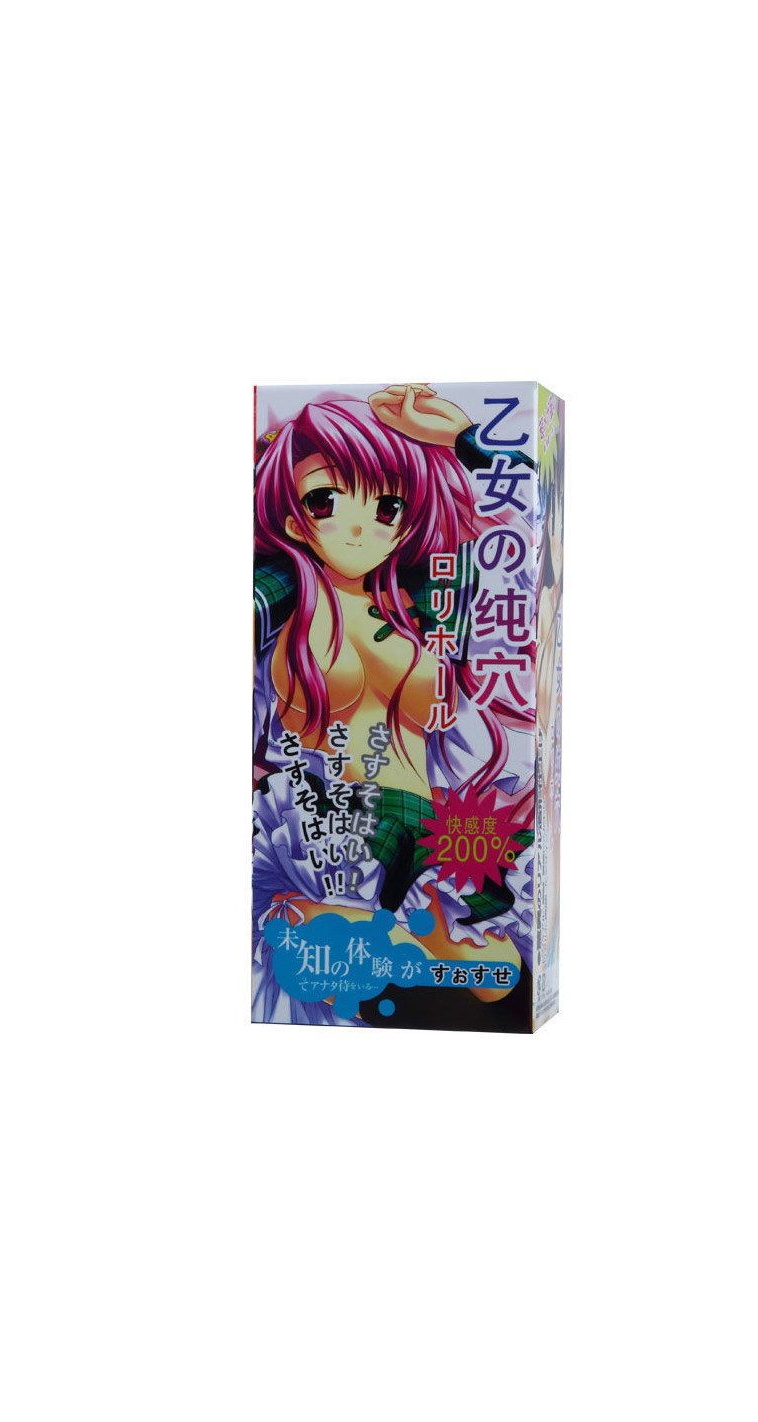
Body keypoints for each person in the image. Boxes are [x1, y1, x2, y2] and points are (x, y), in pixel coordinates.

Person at [252, 385, 536, 1026]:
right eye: (326, 500)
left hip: (423, 822)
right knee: (357, 962)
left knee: (501, 979)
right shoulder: (278, 592)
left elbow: (520, 536)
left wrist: (460, 440)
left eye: (386, 506)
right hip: (329, 819)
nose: (361, 526)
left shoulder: (421, 599)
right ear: (294, 519)